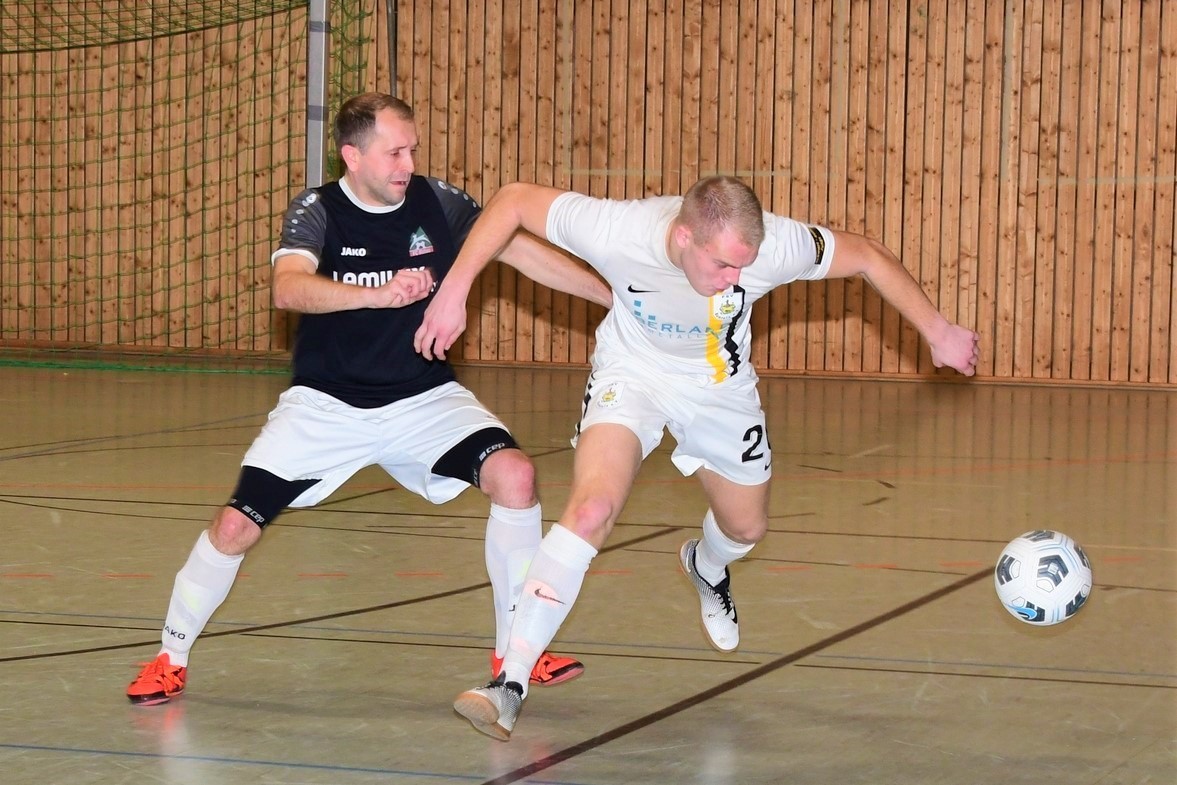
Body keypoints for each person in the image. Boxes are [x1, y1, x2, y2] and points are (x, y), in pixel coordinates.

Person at [414, 175, 980, 740]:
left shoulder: (776, 247)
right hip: (631, 374)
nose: (736, 280)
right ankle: (509, 683)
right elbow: (514, 200)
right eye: (724, 265)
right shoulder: (617, 229)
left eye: (744, 266)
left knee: (746, 527)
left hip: (718, 389)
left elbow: (868, 255)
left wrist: (938, 331)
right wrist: (454, 290)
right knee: (590, 509)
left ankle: (707, 567)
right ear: (684, 237)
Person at [125, 92, 613, 706]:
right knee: (233, 525)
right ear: (352, 156)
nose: (408, 164)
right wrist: (378, 295)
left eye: (412, 150)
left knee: (514, 476)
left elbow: (518, 250)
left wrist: (615, 297)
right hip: (325, 404)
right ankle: (170, 657)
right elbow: (288, 289)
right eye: (394, 153)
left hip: (423, 398)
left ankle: (517, 650)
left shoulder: (439, 202)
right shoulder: (318, 211)